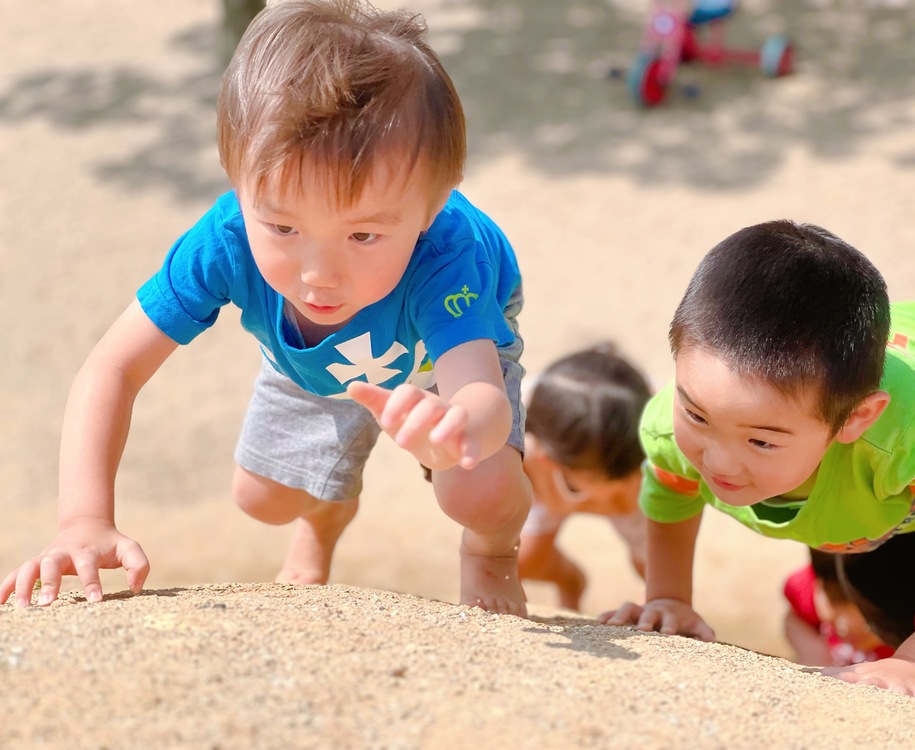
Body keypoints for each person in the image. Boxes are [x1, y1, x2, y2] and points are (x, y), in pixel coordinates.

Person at [0, 0, 531, 616]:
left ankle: (493, 553)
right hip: (308, 353)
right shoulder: (222, 242)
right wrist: (83, 519)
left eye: (363, 235)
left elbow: (480, 395)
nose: (318, 274)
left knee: (478, 485)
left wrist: (459, 429)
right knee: (262, 499)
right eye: (280, 226)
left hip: (430, 343)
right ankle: (328, 512)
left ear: (433, 208)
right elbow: (111, 369)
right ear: (237, 182)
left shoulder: (448, 252)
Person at [599, 219, 915, 713]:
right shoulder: (671, 426)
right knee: (881, 598)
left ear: (857, 419)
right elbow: (672, 494)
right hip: (886, 496)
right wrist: (670, 597)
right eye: (696, 415)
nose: (717, 459)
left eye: (761, 441)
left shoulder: (911, 432)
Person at [518, 345, 651, 611]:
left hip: (633, 498)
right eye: (621, 478)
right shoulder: (522, 443)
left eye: (631, 471)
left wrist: (659, 598)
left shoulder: (653, 444)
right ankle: (571, 582)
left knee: (653, 565)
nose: (628, 480)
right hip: (550, 482)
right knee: (525, 560)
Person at [783, 548, 895, 667]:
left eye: (865, 606)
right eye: (833, 599)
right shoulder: (814, 583)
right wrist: (814, 653)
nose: (846, 624)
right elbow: (795, 617)